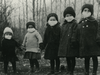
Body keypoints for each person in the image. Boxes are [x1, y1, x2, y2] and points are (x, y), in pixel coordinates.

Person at [77, 4, 100, 75]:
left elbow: (98, 31)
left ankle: (94, 72)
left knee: (94, 57)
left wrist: (98, 39)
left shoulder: (94, 21)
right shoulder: (81, 22)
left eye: (88, 10)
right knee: (86, 58)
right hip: (85, 43)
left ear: (91, 12)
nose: (86, 12)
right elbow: (78, 32)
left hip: (93, 43)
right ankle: (86, 71)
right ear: (82, 12)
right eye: (85, 10)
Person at [58, 7, 79, 75]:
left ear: (73, 16)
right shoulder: (63, 25)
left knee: (72, 57)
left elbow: (75, 32)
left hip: (72, 44)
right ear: (65, 16)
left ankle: (71, 70)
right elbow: (61, 34)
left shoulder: (75, 24)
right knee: (67, 57)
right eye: (67, 15)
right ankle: (68, 69)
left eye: (70, 15)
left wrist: (73, 40)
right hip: (65, 44)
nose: (68, 17)